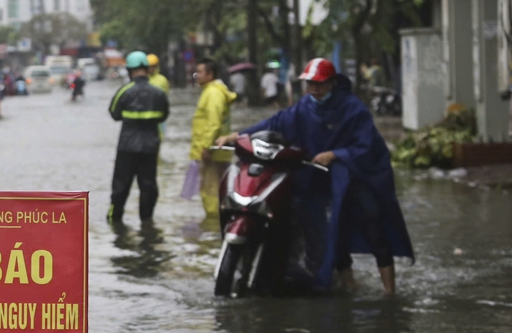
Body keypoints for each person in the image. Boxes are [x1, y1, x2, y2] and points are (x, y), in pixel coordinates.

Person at [216, 58, 412, 294]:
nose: (314, 89)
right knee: (324, 228)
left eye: (319, 84)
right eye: (310, 84)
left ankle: (390, 292)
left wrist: (335, 154)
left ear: (332, 83)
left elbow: (367, 146)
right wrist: (237, 135)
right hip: (318, 177)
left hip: (354, 176)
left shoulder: (353, 109)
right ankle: (346, 281)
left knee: (373, 223)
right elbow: (274, 123)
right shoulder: (304, 107)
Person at [106, 51, 170, 225]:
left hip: (127, 147)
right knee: (148, 186)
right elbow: (164, 116)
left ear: (130, 70)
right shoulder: (159, 93)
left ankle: (115, 222)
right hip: (150, 147)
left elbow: (114, 114)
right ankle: (147, 223)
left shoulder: (124, 91)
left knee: (120, 186)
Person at [189, 59, 237, 219]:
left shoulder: (213, 93)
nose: (197, 75)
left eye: (200, 72)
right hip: (215, 150)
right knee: (216, 188)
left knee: (211, 190)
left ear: (210, 74)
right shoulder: (211, 91)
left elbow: (214, 124)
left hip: (212, 151)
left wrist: (206, 147)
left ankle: (214, 224)